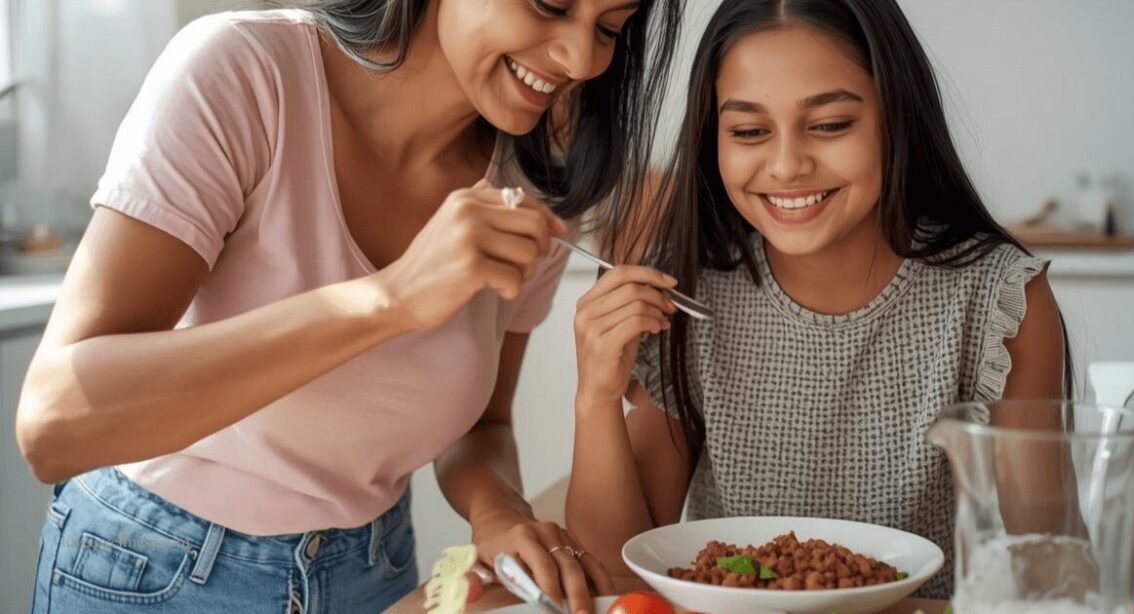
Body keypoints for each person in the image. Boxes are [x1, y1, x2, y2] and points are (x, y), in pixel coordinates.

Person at [16, 1, 682, 612]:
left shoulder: (537, 184)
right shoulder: (245, 74)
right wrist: (388, 300)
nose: (580, 59)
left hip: (373, 571)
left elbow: (482, 427)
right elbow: (54, 426)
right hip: (151, 571)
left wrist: (500, 516)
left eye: (608, 28)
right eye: (551, 5)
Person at [565, 0, 1069, 598]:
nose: (786, 165)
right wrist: (595, 398)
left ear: (897, 116)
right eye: (748, 131)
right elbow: (622, 579)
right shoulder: (690, 293)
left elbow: (1045, 571)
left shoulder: (1000, 301)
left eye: (830, 125)